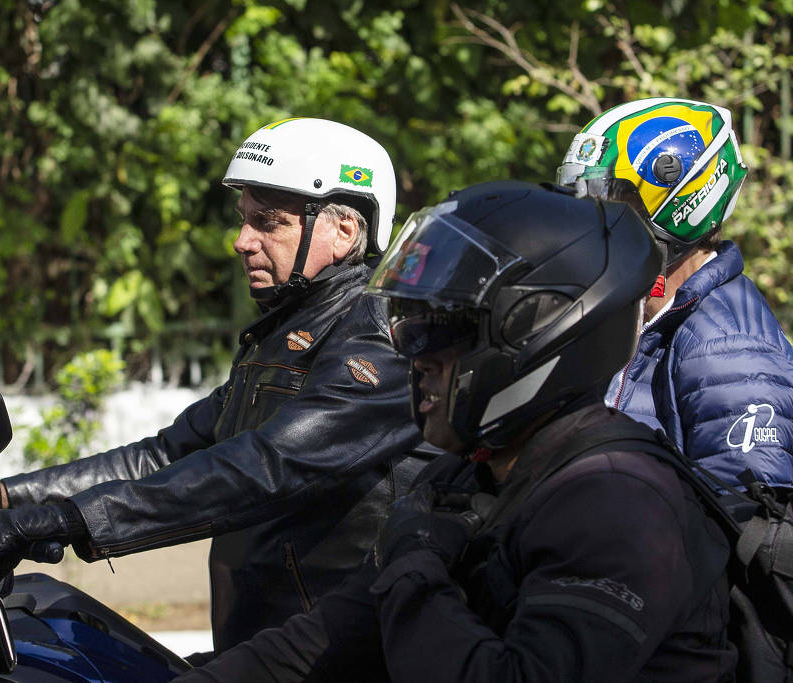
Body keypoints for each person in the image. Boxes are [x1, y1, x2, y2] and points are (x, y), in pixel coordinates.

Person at [177, 181, 736, 682]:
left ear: (537, 336)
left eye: (440, 327)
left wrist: (414, 572)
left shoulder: (618, 502)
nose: (411, 354)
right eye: (408, 323)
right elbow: (331, 637)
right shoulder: (471, 473)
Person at [0, 117, 430, 653]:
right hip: (263, 646)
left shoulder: (376, 335)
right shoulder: (281, 334)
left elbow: (265, 466)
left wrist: (68, 520)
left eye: (268, 222)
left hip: (339, 657)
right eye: (244, 220)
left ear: (344, 232)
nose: (242, 241)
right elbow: (165, 455)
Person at [556, 97, 793, 495]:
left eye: (610, 205)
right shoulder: (641, 314)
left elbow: (749, 524)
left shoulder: (728, 348)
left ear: (681, 205)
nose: (591, 228)